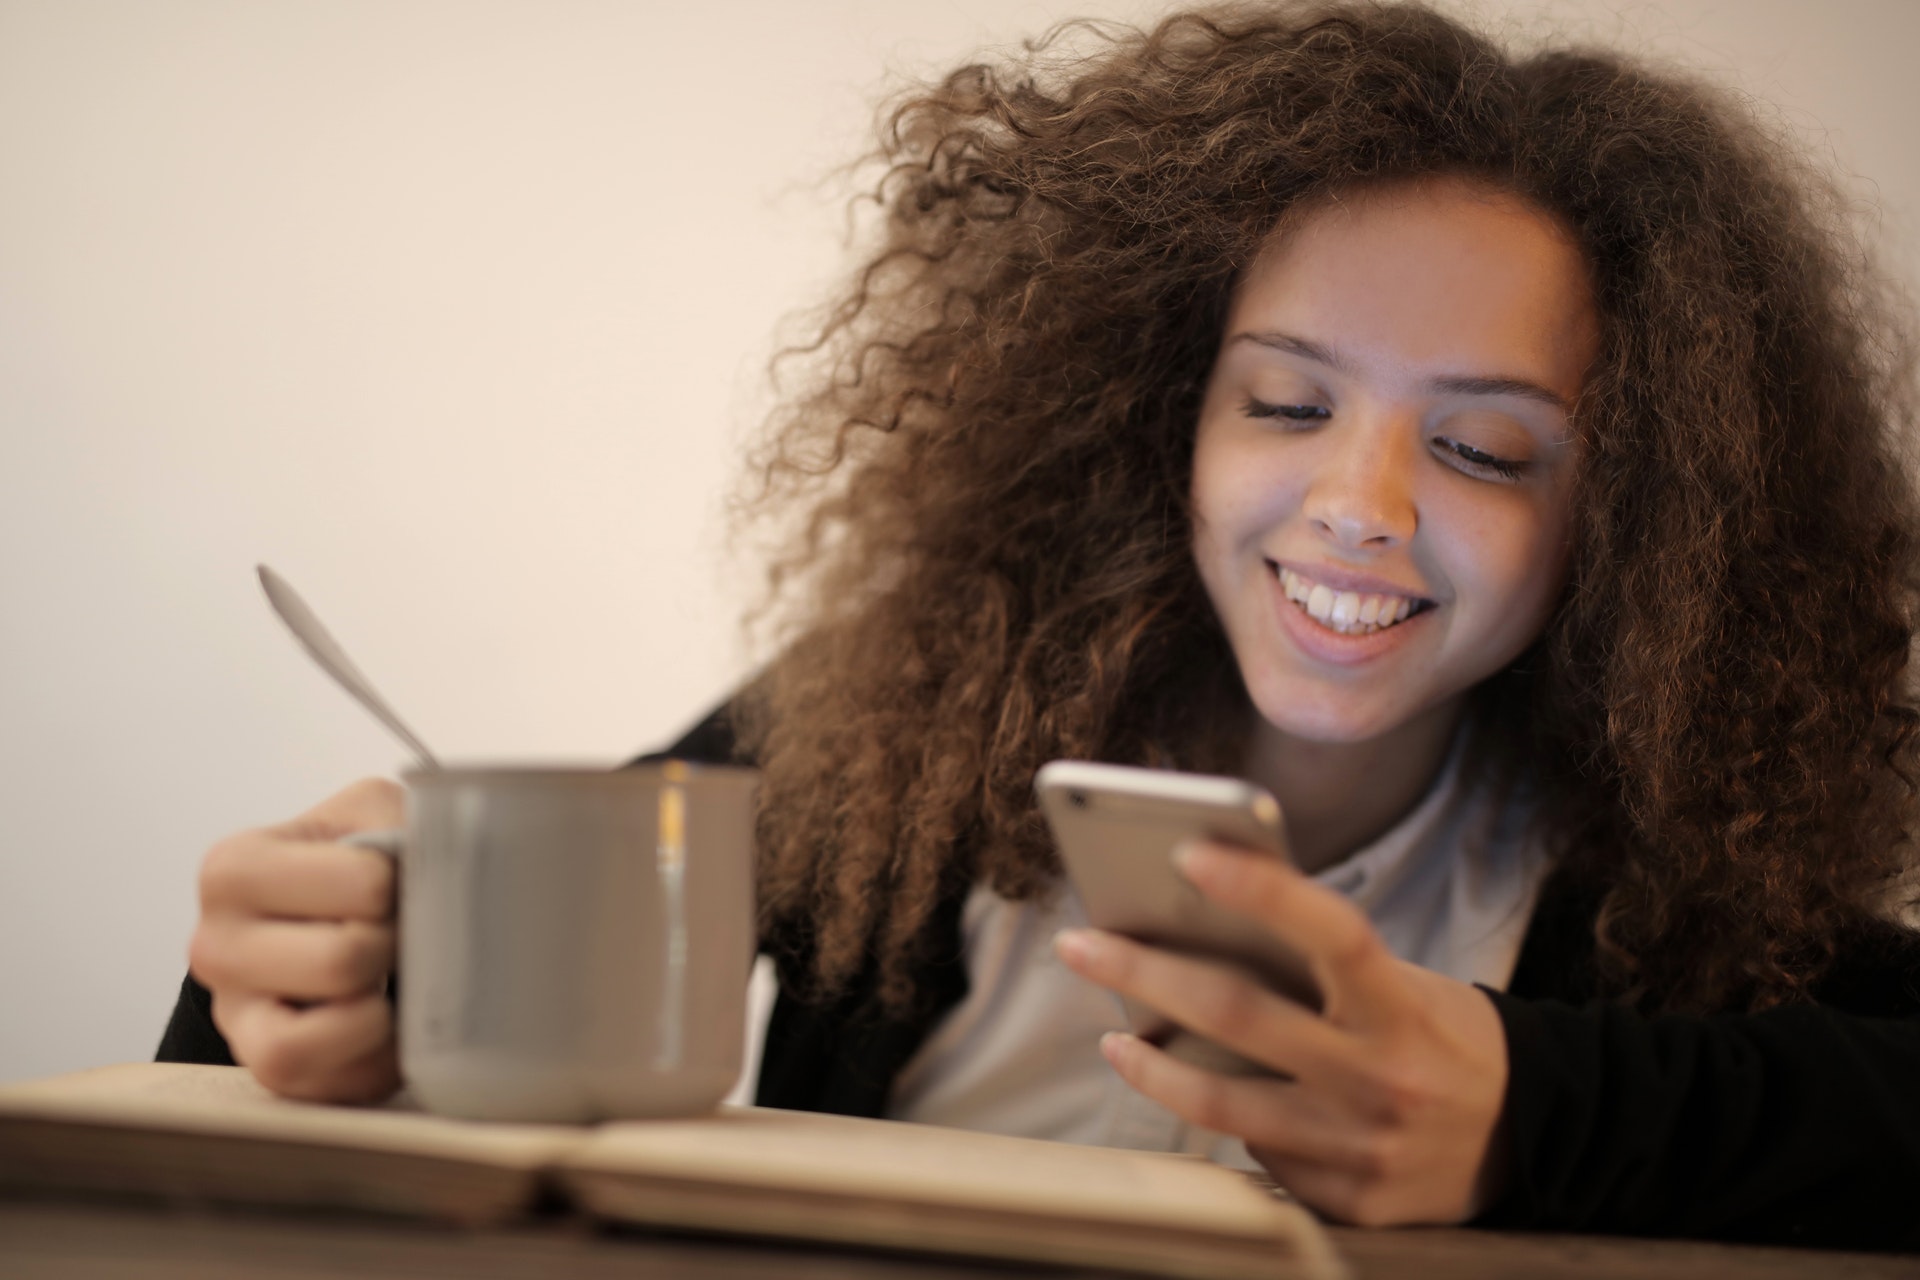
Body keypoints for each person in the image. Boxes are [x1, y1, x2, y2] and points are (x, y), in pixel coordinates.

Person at [159, 0, 1920, 1251]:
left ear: (1634, 520)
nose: (1361, 505)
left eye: (1482, 446)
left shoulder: (1667, 873)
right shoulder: (903, 728)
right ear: (1165, 417)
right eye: (1286, 405)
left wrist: (1535, 1113)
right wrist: (309, 975)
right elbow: (476, 957)